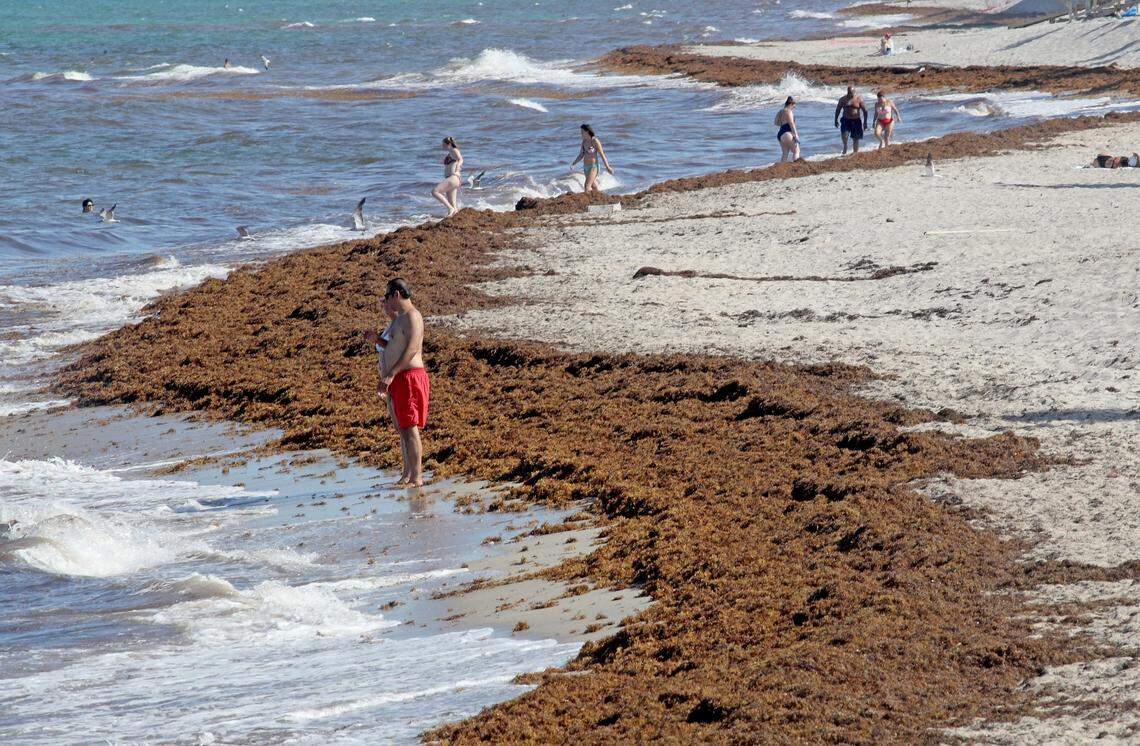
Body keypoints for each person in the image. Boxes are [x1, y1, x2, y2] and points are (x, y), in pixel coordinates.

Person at [373, 278, 430, 487]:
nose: (386, 301)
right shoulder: (398, 319)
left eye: (387, 296)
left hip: (409, 376)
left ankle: (417, 477)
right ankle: (407, 474)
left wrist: (391, 374)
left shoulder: (413, 316)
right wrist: (378, 341)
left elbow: (412, 349)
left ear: (396, 294)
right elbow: (394, 346)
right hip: (397, 378)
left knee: (410, 426)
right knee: (403, 428)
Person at [571, 124, 613, 194]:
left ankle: (587, 202)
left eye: (582, 132)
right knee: (593, 186)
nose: (581, 134)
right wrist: (574, 163)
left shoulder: (595, 141)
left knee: (587, 186)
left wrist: (608, 167)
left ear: (587, 131)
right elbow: (581, 154)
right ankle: (600, 198)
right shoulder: (584, 142)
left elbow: (602, 155)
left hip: (594, 167)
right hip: (586, 168)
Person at [431, 136, 462, 217]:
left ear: (449, 144)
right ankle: (454, 216)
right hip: (451, 179)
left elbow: (461, 159)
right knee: (454, 206)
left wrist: (458, 168)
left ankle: (449, 209)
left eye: (443, 144)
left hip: (453, 178)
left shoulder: (454, 150)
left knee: (435, 191)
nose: (442, 146)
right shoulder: (450, 153)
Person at [834, 85, 867, 156]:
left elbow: (865, 111)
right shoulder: (842, 99)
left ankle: (855, 153)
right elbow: (838, 110)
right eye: (848, 93)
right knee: (845, 135)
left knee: (856, 138)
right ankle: (845, 146)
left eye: (851, 93)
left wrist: (865, 122)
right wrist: (835, 120)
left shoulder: (859, 99)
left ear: (854, 92)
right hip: (845, 120)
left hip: (856, 121)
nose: (850, 94)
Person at [774, 96, 800, 162]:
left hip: (780, 134)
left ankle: (781, 168)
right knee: (796, 151)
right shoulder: (789, 111)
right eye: (794, 105)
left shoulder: (780, 111)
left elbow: (776, 123)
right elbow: (791, 123)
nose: (795, 107)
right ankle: (796, 167)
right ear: (791, 104)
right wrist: (795, 134)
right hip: (787, 133)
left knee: (785, 153)